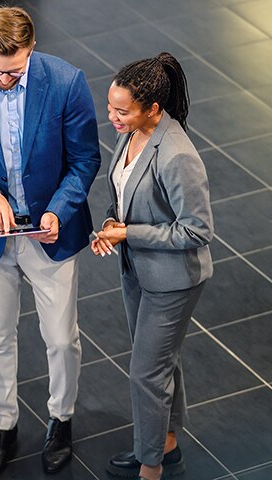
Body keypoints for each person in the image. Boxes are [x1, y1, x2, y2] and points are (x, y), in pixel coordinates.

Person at [0, 6, 101, 478]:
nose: (5, 80)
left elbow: (84, 160)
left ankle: (61, 419)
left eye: (14, 72)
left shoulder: (67, 82)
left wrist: (58, 209)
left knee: (59, 337)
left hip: (49, 230)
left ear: (32, 49)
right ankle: (3, 424)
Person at [91, 52, 213, 480]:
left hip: (172, 280)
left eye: (121, 111)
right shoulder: (134, 133)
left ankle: (150, 466)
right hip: (137, 268)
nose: (112, 117)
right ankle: (165, 441)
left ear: (153, 109)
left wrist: (130, 234)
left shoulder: (177, 154)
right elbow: (125, 194)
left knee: (146, 372)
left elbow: (197, 231)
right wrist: (112, 221)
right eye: (110, 107)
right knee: (162, 362)